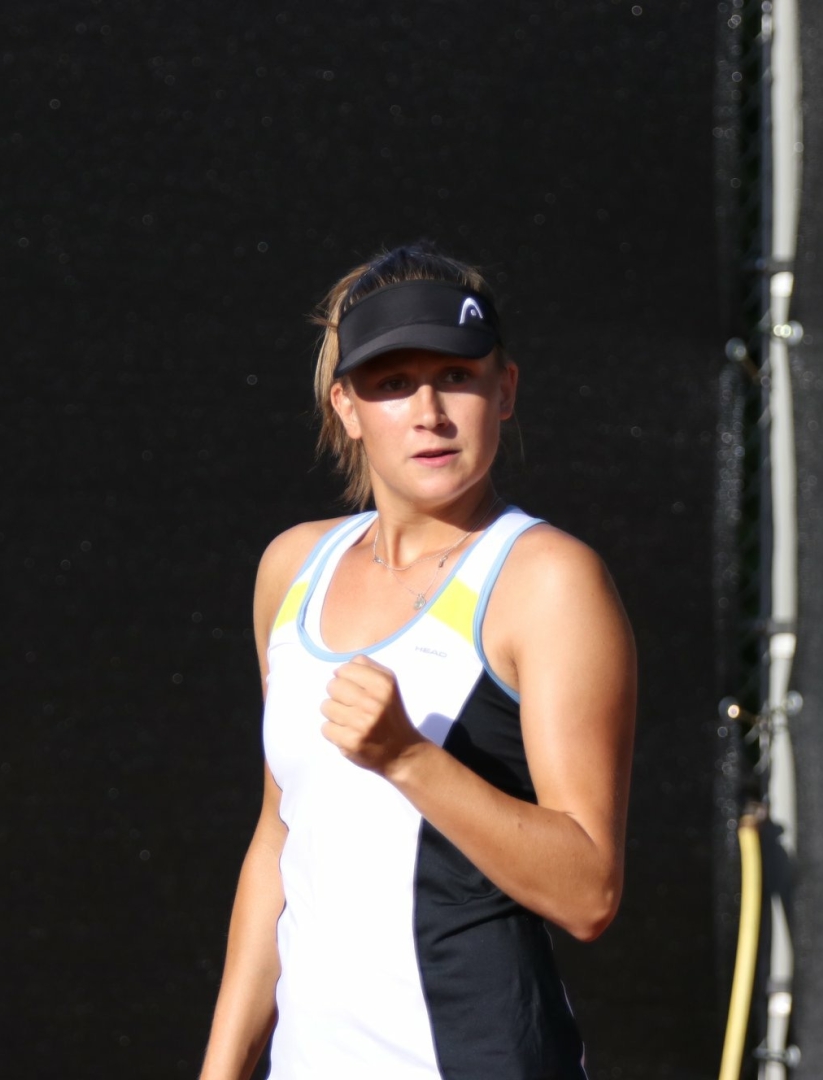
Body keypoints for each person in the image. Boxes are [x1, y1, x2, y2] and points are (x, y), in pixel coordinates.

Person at [199, 242, 636, 1080]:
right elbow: (279, 836)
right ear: (346, 406)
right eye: (394, 383)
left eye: (456, 376)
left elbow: (589, 892)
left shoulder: (549, 580)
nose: (429, 412)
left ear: (505, 390)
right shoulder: (292, 568)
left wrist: (406, 757)